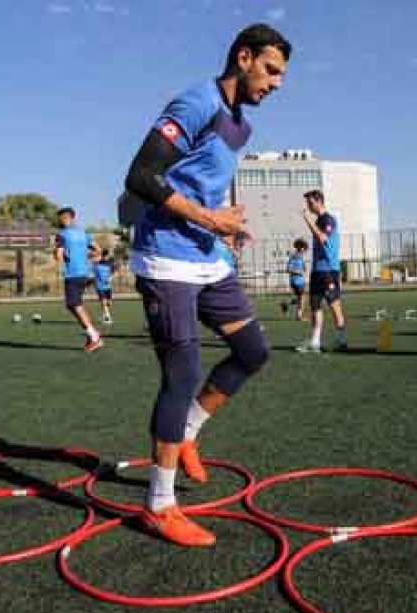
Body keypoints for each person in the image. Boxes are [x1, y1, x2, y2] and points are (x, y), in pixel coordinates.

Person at [121, 23, 288, 546]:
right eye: (271, 70)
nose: (277, 83)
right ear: (243, 57)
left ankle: (188, 432)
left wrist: (226, 224)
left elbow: (207, 180)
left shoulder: (242, 127)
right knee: (183, 372)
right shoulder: (195, 103)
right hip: (166, 260)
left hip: (208, 257)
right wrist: (207, 218)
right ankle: (158, 504)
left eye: (283, 75)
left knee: (252, 351)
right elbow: (142, 177)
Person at [296, 189, 347, 352]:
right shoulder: (318, 220)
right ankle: (315, 341)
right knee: (315, 306)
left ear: (319, 201)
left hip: (329, 270)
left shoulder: (327, 219)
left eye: (310, 203)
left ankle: (341, 340)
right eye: (307, 204)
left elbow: (323, 238)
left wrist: (307, 219)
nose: (308, 206)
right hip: (317, 270)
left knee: (334, 305)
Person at [54, 207, 103, 350]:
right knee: (73, 304)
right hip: (85, 273)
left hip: (73, 273)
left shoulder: (62, 235)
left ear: (68, 218)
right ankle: (92, 333)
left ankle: (94, 336)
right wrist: (89, 259)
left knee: (74, 304)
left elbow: (58, 256)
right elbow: (98, 250)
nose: (61, 220)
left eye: (62, 218)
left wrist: (58, 254)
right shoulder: (84, 233)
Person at [279, 239, 308, 320]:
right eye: (304, 248)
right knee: (302, 298)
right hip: (296, 281)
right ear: (300, 248)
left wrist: (304, 267)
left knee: (299, 298)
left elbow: (304, 268)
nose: (305, 250)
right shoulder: (294, 257)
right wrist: (298, 272)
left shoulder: (300, 257)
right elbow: (288, 269)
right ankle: (299, 316)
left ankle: (286, 304)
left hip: (299, 281)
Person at [93, 249, 116, 325]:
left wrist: (110, 278)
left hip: (108, 286)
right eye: (104, 256)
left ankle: (105, 314)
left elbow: (114, 272)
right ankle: (107, 317)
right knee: (103, 301)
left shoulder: (111, 263)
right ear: (102, 256)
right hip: (99, 286)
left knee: (109, 303)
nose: (106, 257)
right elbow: (93, 272)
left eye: (107, 256)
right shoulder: (97, 263)